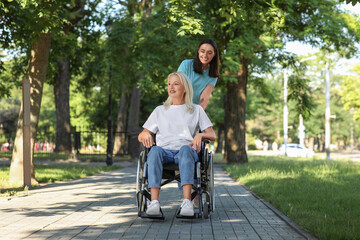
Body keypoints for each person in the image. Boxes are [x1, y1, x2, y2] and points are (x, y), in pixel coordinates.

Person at [138, 72, 216, 217]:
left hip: (186, 153)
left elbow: (212, 135)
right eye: (169, 84)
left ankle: (187, 202)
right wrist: (146, 134)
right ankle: (154, 203)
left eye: (175, 84)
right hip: (164, 153)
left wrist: (200, 134)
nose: (171, 87)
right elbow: (141, 134)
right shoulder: (159, 111)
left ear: (185, 88)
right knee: (154, 151)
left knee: (186, 149)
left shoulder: (196, 110)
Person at [177, 38, 220, 110]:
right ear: (198, 51)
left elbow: (204, 99)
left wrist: (197, 114)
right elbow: (177, 89)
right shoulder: (186, 64)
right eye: (202, 51)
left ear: (214, 54)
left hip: (194, 110)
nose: (205, 55)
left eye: (209, 53)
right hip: (178, 106)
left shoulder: (213, 75)